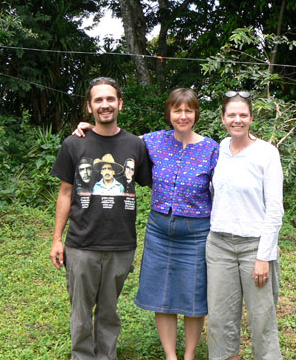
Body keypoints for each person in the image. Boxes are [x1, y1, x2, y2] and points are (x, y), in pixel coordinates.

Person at [74, 88, 219, 360]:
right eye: (177, 110)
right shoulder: (153, 141)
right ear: (169, 113)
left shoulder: (212, 148)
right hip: (160, 229)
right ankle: (170, 356)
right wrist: (91, 128)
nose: (183, 116)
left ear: (196, 113)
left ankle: (188, 356)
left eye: (189, 110)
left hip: (197, 232)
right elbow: (116, 140)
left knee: (193, 296)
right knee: (162, 293)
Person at [50, 77, 152, 360]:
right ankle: (82, 356)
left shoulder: (136, 144)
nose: (104, 105)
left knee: (109, 311)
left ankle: (106, 356)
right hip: (81, 244)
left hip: (121, 244)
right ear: (89, 106)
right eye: (98, 100)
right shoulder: (74, 144)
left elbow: (152, 182)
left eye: (110, 99)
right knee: (80, 313)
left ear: (120, 103)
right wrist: (57, 240)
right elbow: (65, 193)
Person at [206, 91, 284, 360]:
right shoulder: (218, 149)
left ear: (251, 118)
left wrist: (265, 254)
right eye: (231, 115)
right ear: (223, 118)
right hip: (219, 246)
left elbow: (275, 209)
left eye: (243, 115)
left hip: (254, 247)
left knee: (262, 319)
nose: (237, 120)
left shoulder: (267, 153)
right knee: (219, 320)